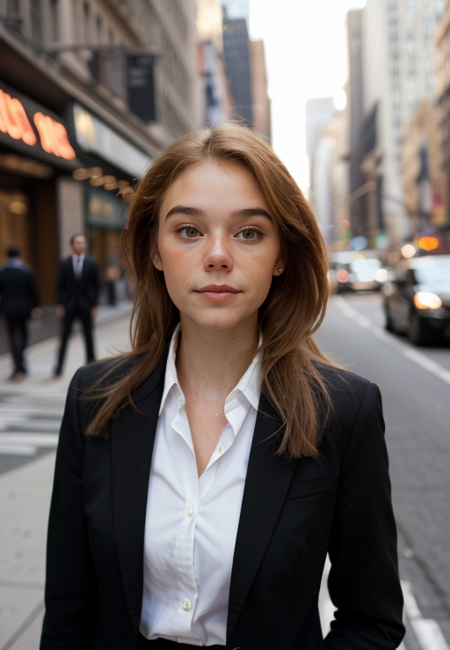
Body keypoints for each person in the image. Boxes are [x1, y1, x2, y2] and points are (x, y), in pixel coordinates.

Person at [41, 123, 405, 650]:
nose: (217, 255)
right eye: (188, 230)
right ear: (155, 250)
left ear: (282, 254)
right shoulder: (93, 399)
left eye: (248, 232)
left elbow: (371, 620)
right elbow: (69, 613)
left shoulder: (344, 412)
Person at [52, 234, 100, 378]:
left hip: (86, 305)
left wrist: (95, 304)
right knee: (64, 337)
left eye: (83, 243)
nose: (81, 245)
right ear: (72, 245)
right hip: (69, 305)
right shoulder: (64, 263)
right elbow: (60, 285)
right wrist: (61, 304)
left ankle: (92, 367)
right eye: (78, 243)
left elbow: (96, 285)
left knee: (88, 337)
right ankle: (58, 368)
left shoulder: (92, 263)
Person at [0, 245, 40, 381]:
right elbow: (33, 292)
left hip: (8, 309)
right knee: (23, 335)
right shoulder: (27, 271)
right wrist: (36, 306)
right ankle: (20, 363)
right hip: (24, 308)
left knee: (12, 337)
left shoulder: (2, 272)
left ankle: (18, 365)